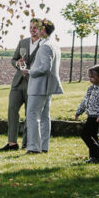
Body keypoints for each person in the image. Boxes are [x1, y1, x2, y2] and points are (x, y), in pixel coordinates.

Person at [1, 19, 44, 151]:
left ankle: (27, 142)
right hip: (18, 83)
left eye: (35, 27)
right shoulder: (23, 42)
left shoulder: (44, 44)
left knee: (29, 114)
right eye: (30, 27)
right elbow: (13, 60)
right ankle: (12, 143)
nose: (32, 29)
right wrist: (17, 64)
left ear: (41, 29)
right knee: (12, 110)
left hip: (34, 83)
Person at [22, 19, 63, 154]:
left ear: (43, 30)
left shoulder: (45, 46)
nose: (36, 30)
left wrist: (30, 72)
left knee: (33, 115)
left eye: (38, 28)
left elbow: (45, 67)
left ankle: (33, 147)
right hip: (48, 87)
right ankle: (44, 146)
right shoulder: (54, 44)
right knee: (45, 117)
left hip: (39, 86)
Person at [75, 65, 99, 164]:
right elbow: (85, 101)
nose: (90, 79)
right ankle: (94, 158)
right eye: (89, 77)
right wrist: (79, 111)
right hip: (90, 115)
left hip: (97, 117)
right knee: (93, 136)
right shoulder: (91, 88)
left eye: (92, 77)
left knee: (85, 134)